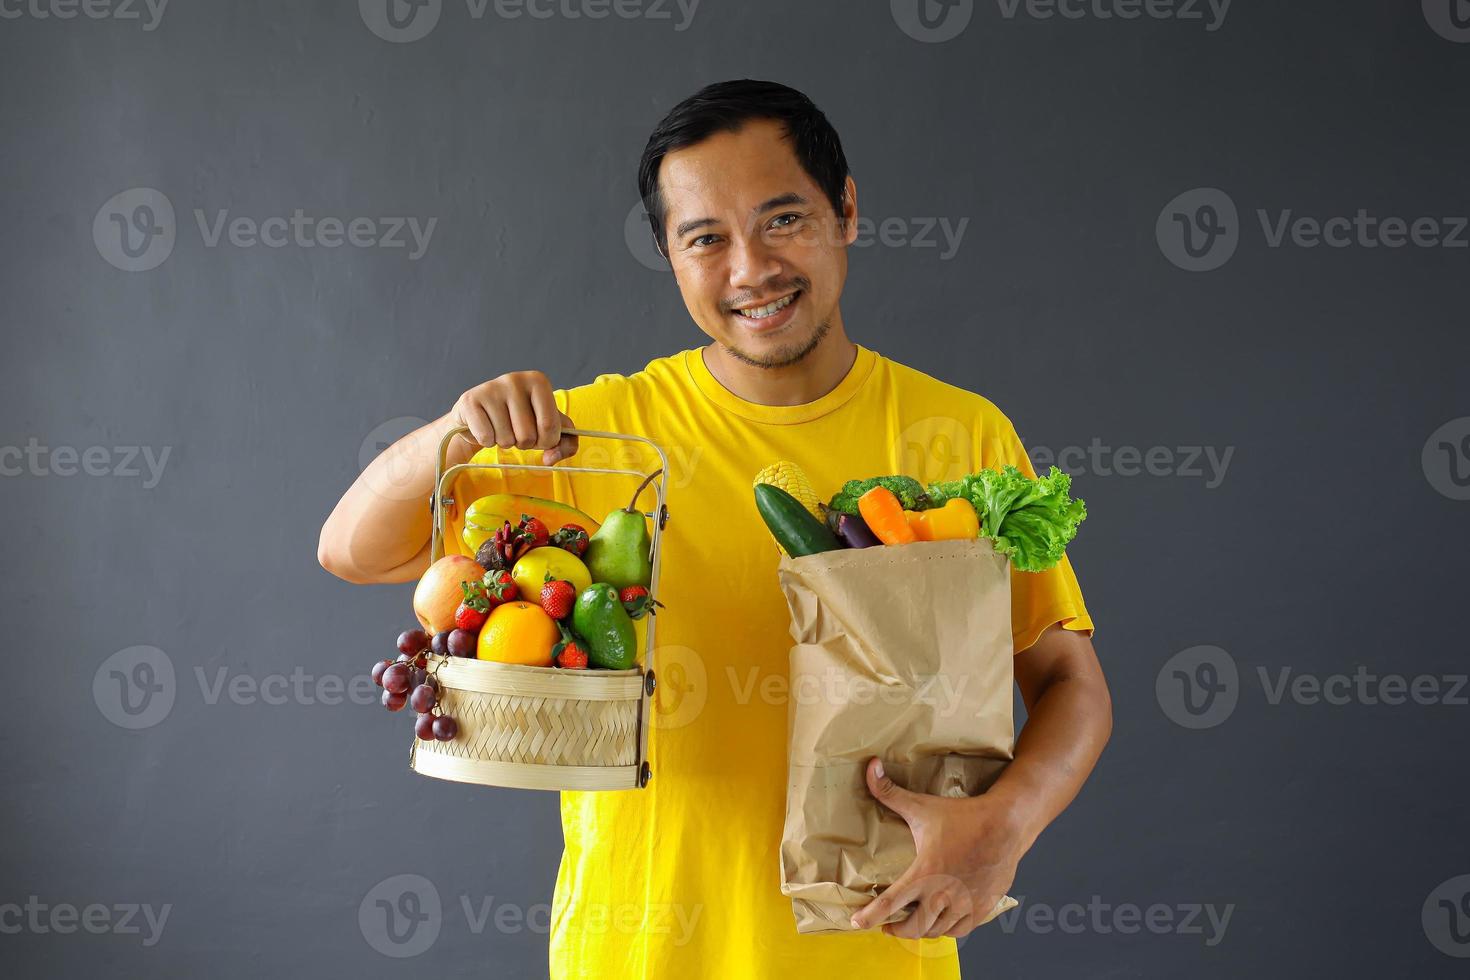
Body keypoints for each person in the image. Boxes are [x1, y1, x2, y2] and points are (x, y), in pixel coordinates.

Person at [319, 78, 1112, 979]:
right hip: (636, 953)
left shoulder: (957, 434)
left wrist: (1006, 826)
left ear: (845, 210)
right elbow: (352, 548)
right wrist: (449, 433)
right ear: (668, 251)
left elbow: (1067, 681)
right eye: (706, 238)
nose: (751, 269)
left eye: (783, 220)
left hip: (880, 954)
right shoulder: (599, 443)